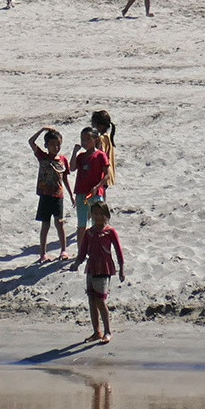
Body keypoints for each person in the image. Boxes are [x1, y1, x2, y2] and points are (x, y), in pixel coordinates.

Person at [69, 203, 126, 343]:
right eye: (95, 214)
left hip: (104, 268)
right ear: (91, 215)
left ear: (107, 215)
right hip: (91, 268)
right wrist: (76, 263)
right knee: (91, 300)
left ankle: (108, 331)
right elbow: (82, 252)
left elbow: (118, 251)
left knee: (100, 300)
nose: (98, 217)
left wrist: (121, 268)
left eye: (101, 214)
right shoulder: (89, 233)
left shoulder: (110, 232)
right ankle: (96, 332)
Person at [28, 127, 73, 263]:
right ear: (46, 145)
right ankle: (43, 253)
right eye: (52, 144)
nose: (56, 147)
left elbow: (65, 178)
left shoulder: (63, 160)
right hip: (45, 195)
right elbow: (31, 141)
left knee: (60, 223)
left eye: (58, 144)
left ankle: (63, 250)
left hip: (58, 196)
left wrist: (71, 195)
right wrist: (42, 130)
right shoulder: (42, 157)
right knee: (45, 225)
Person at [72, 127, 111, 246]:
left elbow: (107, 175)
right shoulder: (81, 156)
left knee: (97, 223)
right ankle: (81, 250)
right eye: (82, 139)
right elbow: (72, 168)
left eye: (88, 139)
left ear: (95, 140)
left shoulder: (100, 155)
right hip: (82, 195)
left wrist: (97, 187)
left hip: (95, 194)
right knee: (82, 223)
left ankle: (95, 247)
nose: (85, 142)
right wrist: (74, 152)